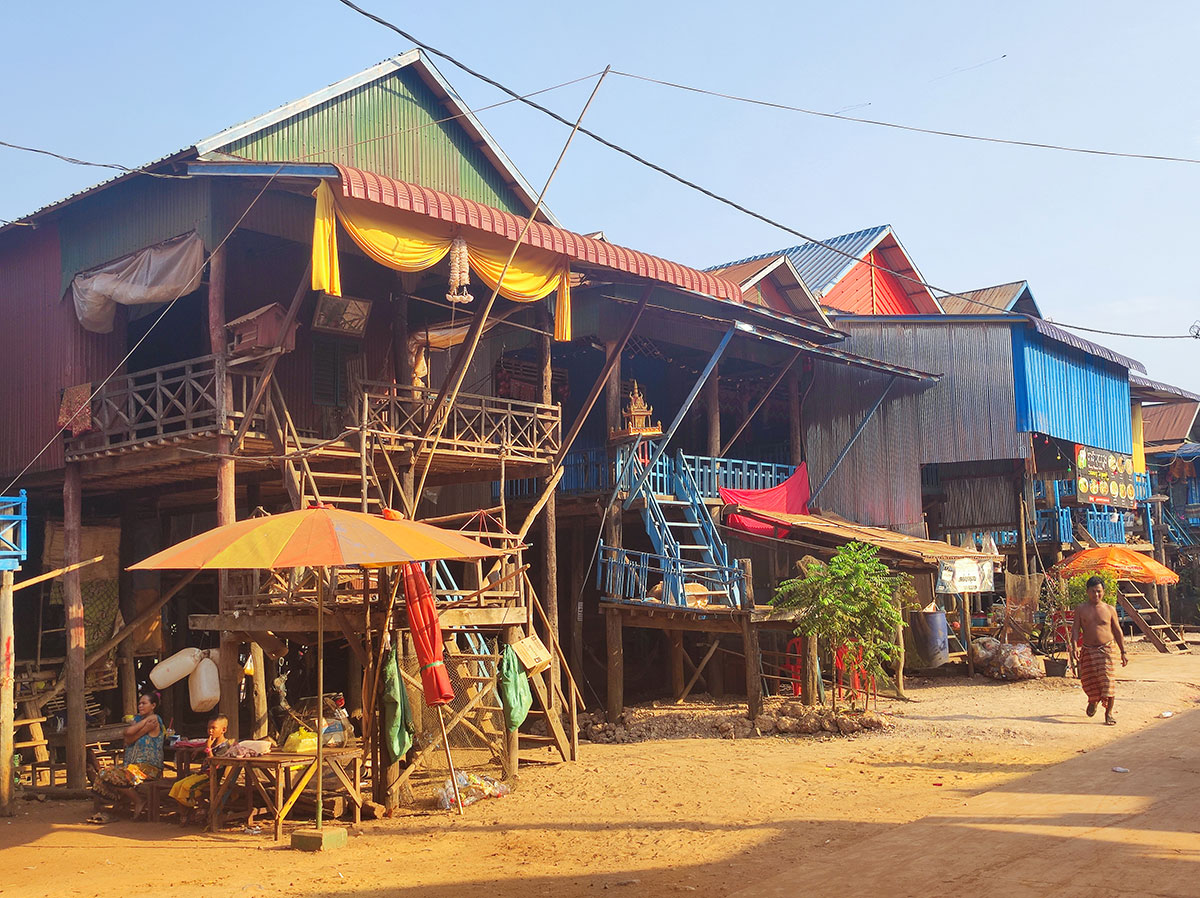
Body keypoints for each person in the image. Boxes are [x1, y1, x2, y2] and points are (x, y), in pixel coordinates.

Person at [89, 690, 165, 820]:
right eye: (139, 703)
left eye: (144, 703)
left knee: (106, 774)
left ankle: (138, 801)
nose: (140, 706)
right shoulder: (138, 719)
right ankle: (122, 801)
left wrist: (137, 730)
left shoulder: (154, 719)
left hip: (147, 769)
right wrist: (143, 729)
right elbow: (127, 737)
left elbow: (129, 732)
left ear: (153, 706)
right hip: (132, 767)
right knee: (102, 775)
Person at [1071, 575, 1128, 725]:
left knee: (1108, 682)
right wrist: (1074, 646)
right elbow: (1075, 629)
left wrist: (1123, 652)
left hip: (1106, 649)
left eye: (1099, 591)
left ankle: (1108, 713)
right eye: (1093, 591)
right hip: (1088, 650)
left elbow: (1117, 631)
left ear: (1103, 592)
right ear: (1087, 592)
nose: (1096, 595)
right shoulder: (1081, 609)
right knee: (1089, 680)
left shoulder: (1109, 609)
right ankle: (1093, 701)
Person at [168, 714, 232, 824]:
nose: (210, 731)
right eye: (208, 728)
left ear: (223, 730)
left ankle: (202, 806)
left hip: (211, 776)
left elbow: (214, 763)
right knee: (177, 786)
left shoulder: (225, 747)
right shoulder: (212, 742)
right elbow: (209, 747)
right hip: (201, 774)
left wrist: (207, 749)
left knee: (188, 787)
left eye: (213, 728)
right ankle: (185, 813)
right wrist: (201, 748)